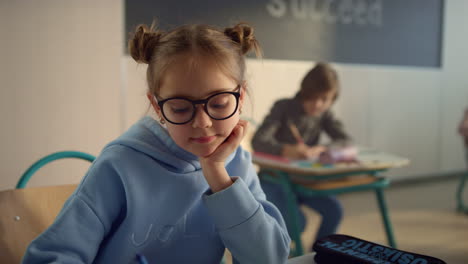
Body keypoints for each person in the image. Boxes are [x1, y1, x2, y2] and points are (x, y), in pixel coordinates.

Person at [22, 22, 290, 264]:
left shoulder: (237, 164)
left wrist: (218, 177)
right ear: (157, 106)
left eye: (219, 103)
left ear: (240, 97)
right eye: (181, 108)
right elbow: (51, 256)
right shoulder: (119, 166)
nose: (202, 122)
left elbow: (269, 258)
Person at [251, 62, 351, 250]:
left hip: (301, 181)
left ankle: (318, 255)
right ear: (304, 92)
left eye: (325, 99)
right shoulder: (283, 107)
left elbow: (345, 140)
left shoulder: (324, 114)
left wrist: (323, 149)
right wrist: (285, 150)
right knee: (298, 223)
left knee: (334, 211)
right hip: (273, 180)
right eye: (312, 98)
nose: (318, 104)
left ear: (332, 99)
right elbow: (258, 141)